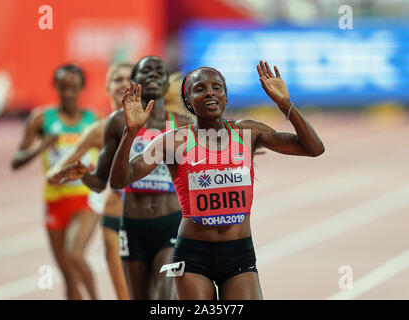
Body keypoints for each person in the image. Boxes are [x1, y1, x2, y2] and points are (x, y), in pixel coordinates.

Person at [109, 60, 325, 300]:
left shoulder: (248, 132)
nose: (210, 92)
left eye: (217, 87)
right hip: (193, 256)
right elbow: (120, 180)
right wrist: (130, 132)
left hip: (238, 252)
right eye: (200, 88)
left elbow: (313, 148)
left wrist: (285, 104)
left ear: (226, 96)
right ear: (189, 101)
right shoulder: (174, 141)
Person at [58, 56, 192, 299]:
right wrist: (84, 176)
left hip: (171, 224)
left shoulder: (182, 125)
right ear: (134, 81)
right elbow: (101, 181)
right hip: (132, 226)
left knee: (165, 295)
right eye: (146, 70)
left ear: (165, 82)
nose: (152, 74)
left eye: (159, 71)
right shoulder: (117, 122)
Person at [11, 64, 100, 300]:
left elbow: (109, 156)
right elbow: (15, 161)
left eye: (74, 88)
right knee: (68, 276)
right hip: (54, 201)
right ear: (56, 87)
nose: (68, 94)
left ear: (82, 88)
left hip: (85, 199)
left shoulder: (93, 120)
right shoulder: (41, 118)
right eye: (63, 88)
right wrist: (40, 147)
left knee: (75, 254)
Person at [46, 62, 133, 300]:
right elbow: (59, 168)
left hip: (157, 219)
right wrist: (63, 172)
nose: (124, 83)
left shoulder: (157, 125)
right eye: (117, 79)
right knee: (124, 295)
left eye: (129, 78)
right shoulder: (97, 130)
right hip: (116, 218)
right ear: (107, 86)